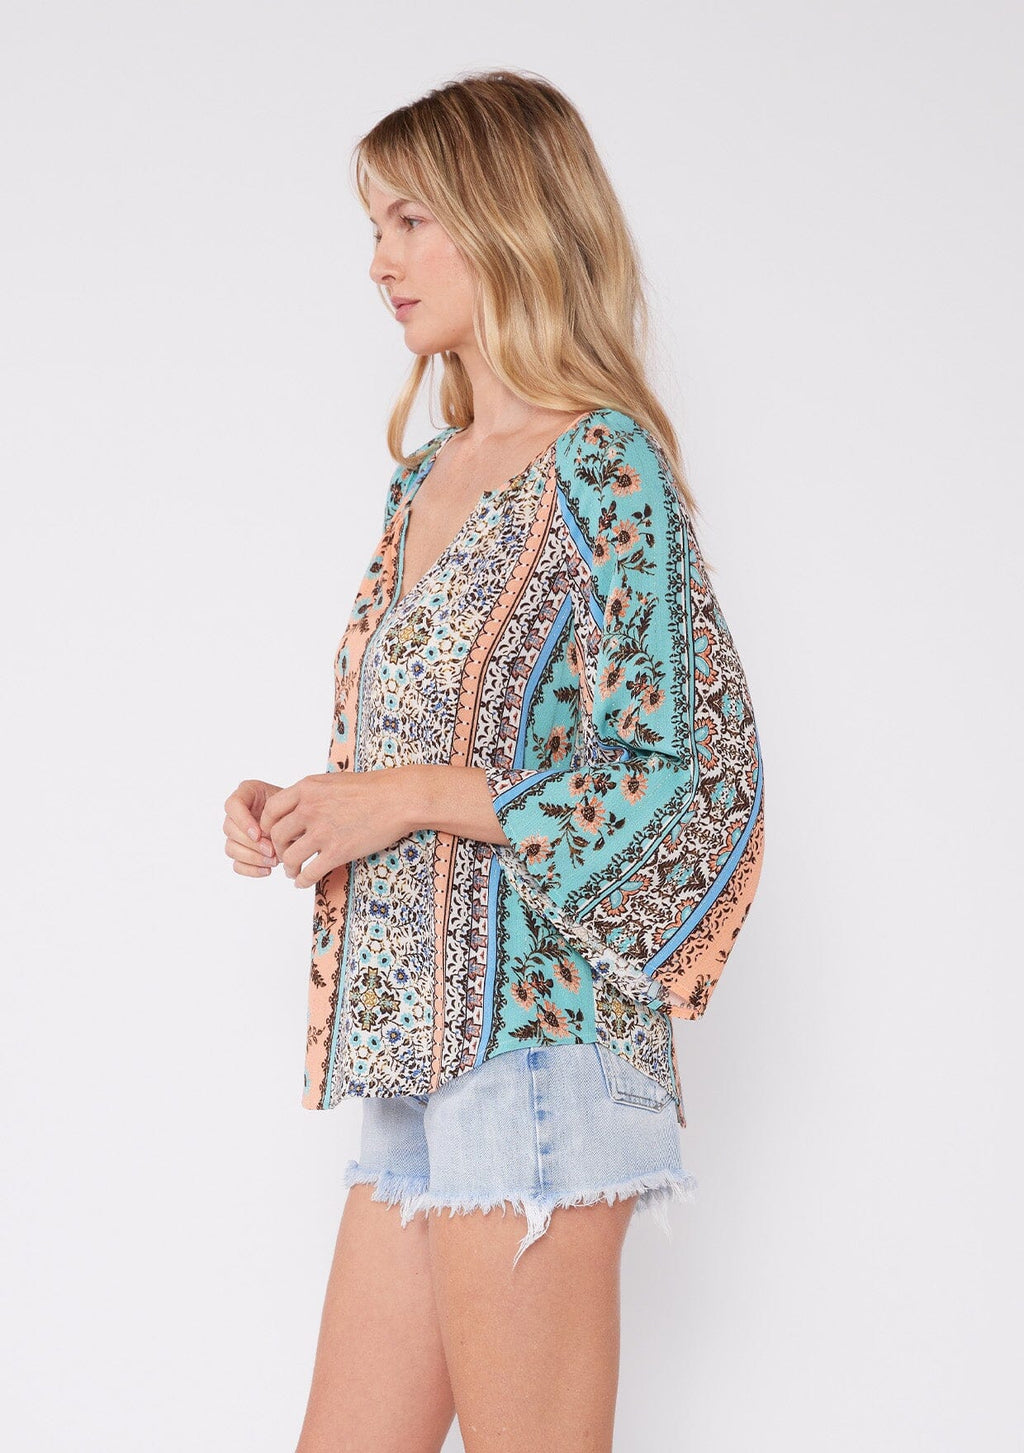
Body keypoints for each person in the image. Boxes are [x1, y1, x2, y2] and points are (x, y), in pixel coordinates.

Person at [222, 68, 765, 1453]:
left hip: (543, 1045)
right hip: (416, 1049)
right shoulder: (426, 476)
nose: (380, 260)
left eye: (412, 221)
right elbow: (424, 746)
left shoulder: (604, 467)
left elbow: (682, 774)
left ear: (511, 221)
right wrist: (305, 810)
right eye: (375, 226)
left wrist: (403, 798)